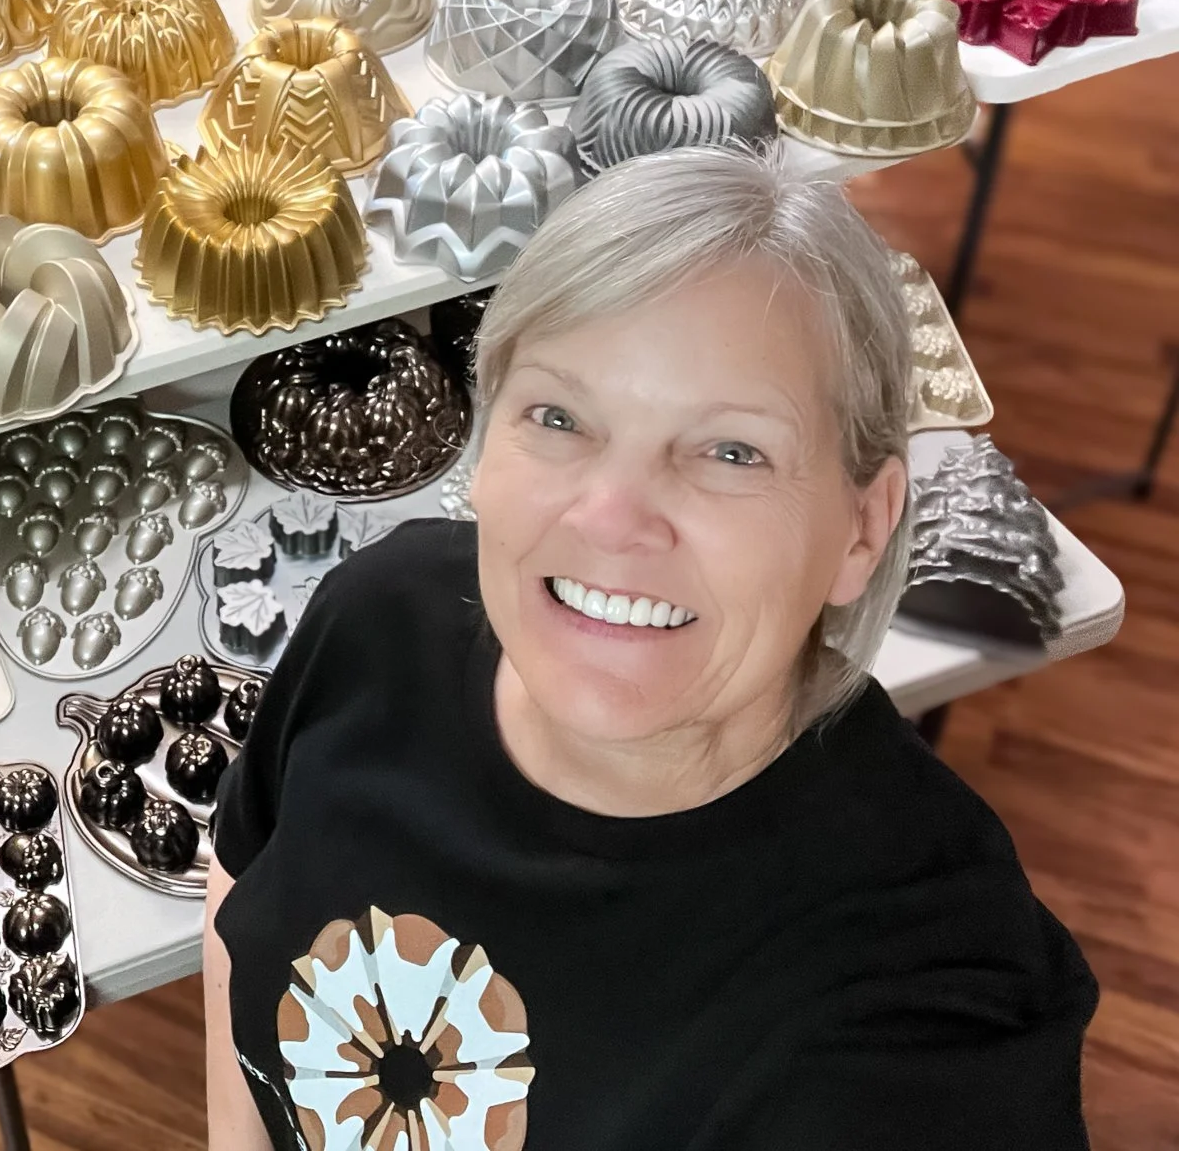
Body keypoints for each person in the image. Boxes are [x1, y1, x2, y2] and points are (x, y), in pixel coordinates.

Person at [203, 147, 1095, 1150]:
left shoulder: (922, 985)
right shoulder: (376, 619)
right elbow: (239, 875)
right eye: (558, 416)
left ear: (860, 526)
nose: (613, 518)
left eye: (729, 451)